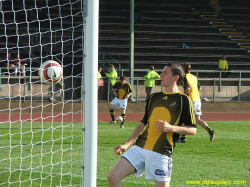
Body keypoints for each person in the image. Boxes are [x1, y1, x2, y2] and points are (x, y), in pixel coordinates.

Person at [107, 63, 197, 187]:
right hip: (140, 147)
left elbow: (192, 130)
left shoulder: (183, 100)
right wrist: (126, 145)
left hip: (161, 152)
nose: (161, 75)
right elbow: (142, 124)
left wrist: (171, 128)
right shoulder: (153, 97)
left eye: (165, 73)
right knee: (112, 177)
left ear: (175, 78)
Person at [178, 63, 215, 143]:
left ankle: (183, 138)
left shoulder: (184, 77)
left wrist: (183, 96)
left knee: (183, 117)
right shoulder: (194, 77)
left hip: (190, 100)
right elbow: (199, 88)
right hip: (197, 99)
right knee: (197, 119)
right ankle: (210, 131)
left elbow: (187, 89)